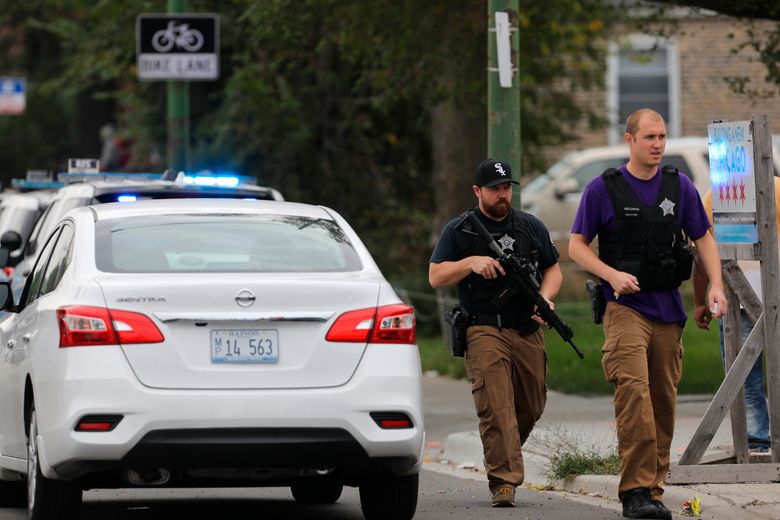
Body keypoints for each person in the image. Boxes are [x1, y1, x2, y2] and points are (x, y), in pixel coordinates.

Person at [568, 108, 727, 520]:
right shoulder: (604, 189)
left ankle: (652, 489)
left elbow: (703, 238)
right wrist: (610, 274)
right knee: (634, 396)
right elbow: (576, 245)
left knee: (662, 401)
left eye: (662, 137)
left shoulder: (681, 186)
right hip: (625, 309)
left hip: (667, 309)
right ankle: (635, 490)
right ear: (630, 140)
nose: (657, 144)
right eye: (650, 137)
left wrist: (716, 286)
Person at [429, 159, 562, 507]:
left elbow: (553, 269)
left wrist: (546, 299)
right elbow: (436, 276)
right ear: (478, 192)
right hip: (484, 327)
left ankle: (503, 448)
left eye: (507, 189)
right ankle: (504, 480)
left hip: (527, 327)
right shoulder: (459, 230)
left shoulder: (530, 226)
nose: (503, 195)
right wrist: (469, 263)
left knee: (532, 405)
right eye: (495, 189)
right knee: (496, 407)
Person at [692, 177, 780, 453]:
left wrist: (699, 300)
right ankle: (760, 439)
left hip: (735, 296)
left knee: (743, 377)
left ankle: (756, 440)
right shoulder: (776, 186)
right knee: (748, 375)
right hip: (769, 292)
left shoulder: (716, 195)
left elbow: (701, 254)